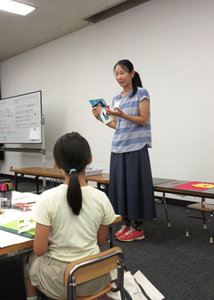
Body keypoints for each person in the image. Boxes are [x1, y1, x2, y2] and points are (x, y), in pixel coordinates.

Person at [23, 132, 116, 300]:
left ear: (56, 164)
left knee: (27, 260)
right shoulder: (101, 197)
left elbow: (39, 250)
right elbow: (100, 242)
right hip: (96, 275)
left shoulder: (47, 198)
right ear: (90, 159)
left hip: (61, 281)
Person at [92, 59, 156, 242]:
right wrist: (101, 118)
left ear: (132, 73)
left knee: (136, 186)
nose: (119, 77)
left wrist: (122, 115)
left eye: (122, 73)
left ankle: (138, 227)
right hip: (118, 147)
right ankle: (127, 223)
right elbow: (117, 125)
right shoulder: (116, 98)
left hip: (136, 147)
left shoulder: (141, 93)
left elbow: (143, 120)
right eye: (117, 74)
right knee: (122, 187)